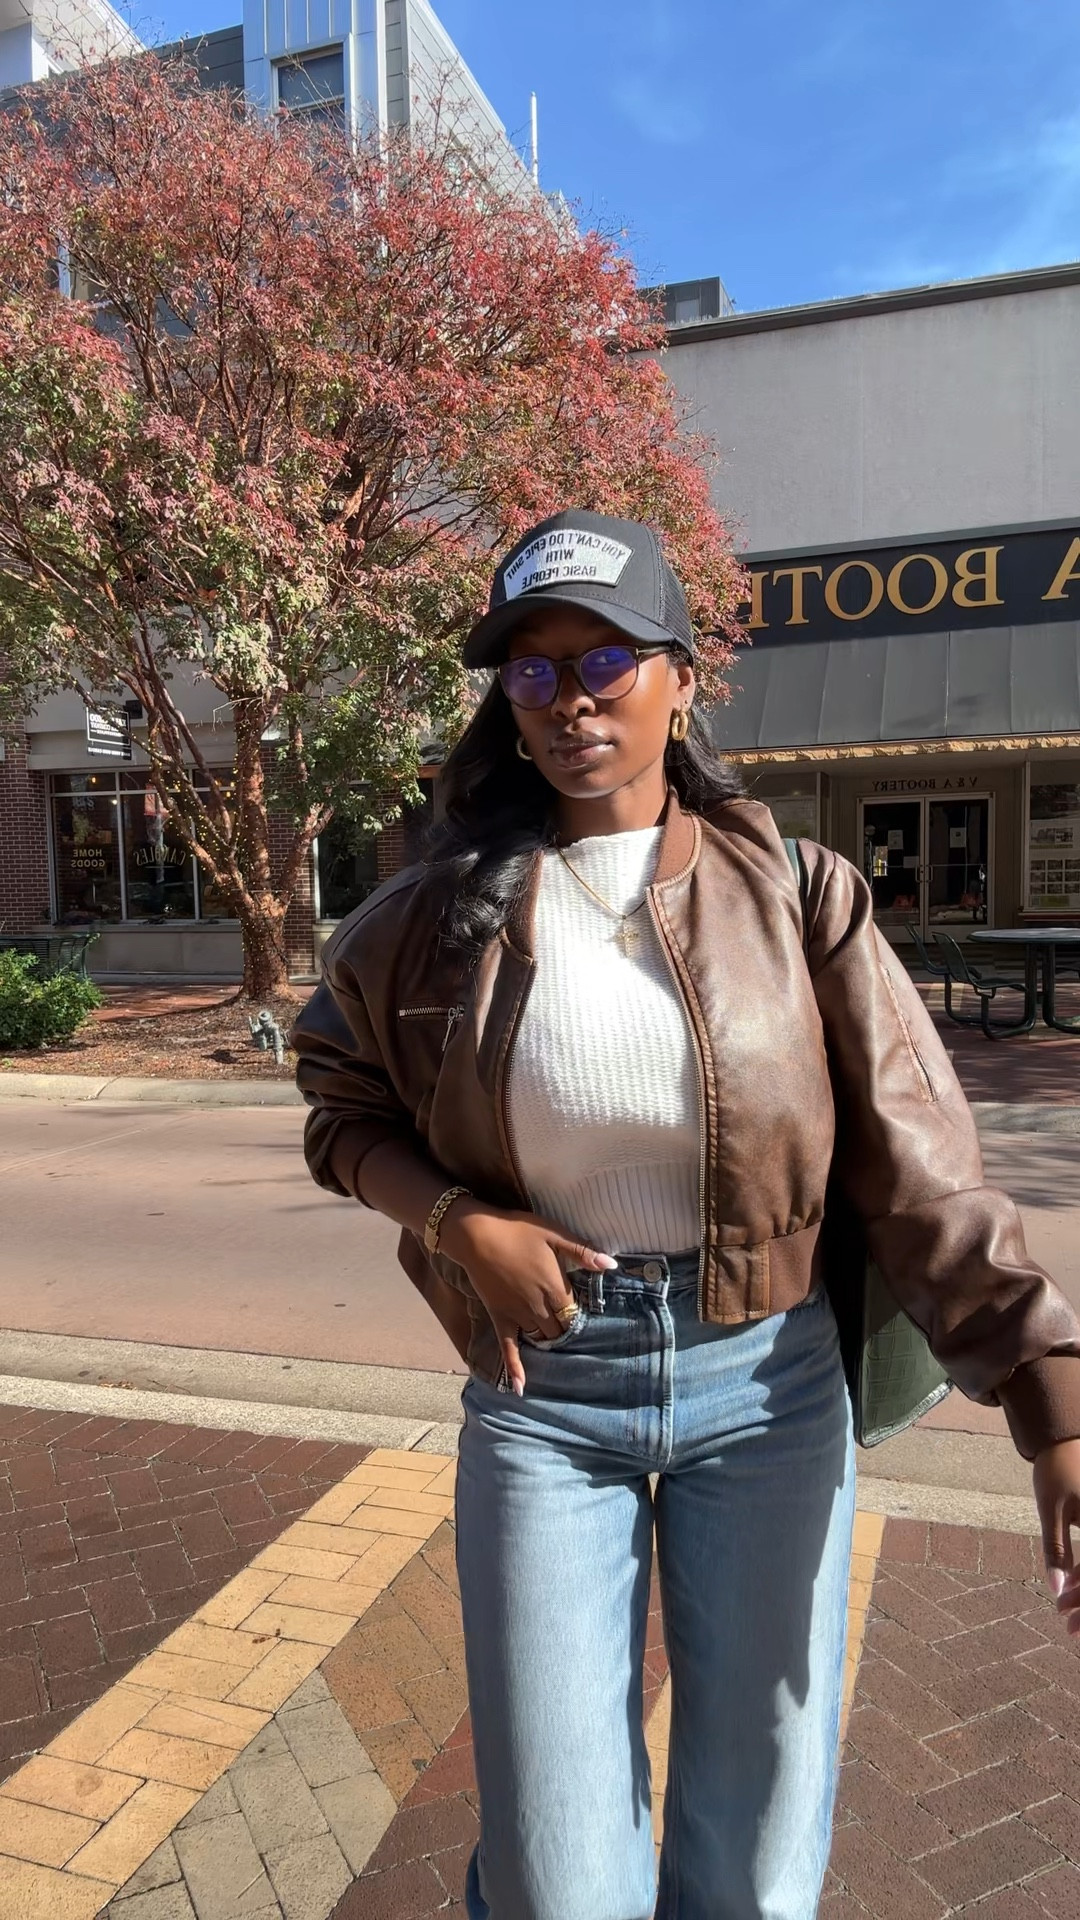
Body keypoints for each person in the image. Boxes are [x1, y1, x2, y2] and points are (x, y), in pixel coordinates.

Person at [291, 509, 1080, 1920]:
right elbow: (340, 1110)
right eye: (532, 670)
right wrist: (457, 1221)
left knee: (756, 1852)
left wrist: (1052, 1400)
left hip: (768, 1388)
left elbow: (924, 1171)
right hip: (544, 1394)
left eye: (605, 658)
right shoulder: (428, 921)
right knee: (556, 1875)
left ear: (679, 678)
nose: (570, 697)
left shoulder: (798, 895)